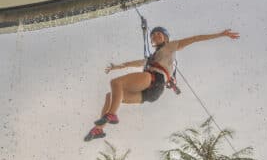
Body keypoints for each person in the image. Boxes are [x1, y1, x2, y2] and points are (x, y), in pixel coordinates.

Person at [84, 27, 239, 141]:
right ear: (151, 41)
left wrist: (220, 34)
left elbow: (195, 38)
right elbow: (132, 63)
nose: (156, 35)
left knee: (115, 82)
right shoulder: (151, 58)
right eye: (153, 35)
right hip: (153, 93)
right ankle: (99, 130)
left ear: (166, 38)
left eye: (159, 34)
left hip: (153, 79)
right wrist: (116, 66)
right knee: (110, 96)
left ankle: (112, 115)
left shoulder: (170, 47)